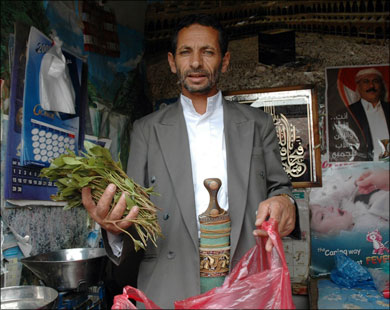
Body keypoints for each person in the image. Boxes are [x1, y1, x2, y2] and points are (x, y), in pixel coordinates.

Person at [81, 14, 300, 308]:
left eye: (207, 52)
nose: (196, 63)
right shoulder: (146, 130)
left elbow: (280, 188)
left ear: (224, 61)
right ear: (173, 62)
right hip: (169, 284)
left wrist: (285, 202)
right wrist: (114, 229)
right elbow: (133, 212)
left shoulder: (257, 124)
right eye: (186, 52)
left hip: (245, 285)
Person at [347, 68, 390, 161]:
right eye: (366, 82)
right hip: (363, 169)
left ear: (381, 86)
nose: (371, 86)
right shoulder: (348, 112)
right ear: (358, 86)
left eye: (375, 81)